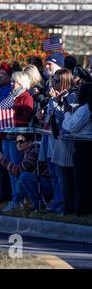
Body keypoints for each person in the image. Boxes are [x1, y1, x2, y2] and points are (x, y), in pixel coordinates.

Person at [0, 71, 34, 212]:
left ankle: (19, 201)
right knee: (10, 170)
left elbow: (26, 118)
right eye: (11, 81)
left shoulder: (26, 97)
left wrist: (11, 118)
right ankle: (15, 201)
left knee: (16, 170)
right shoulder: (11, 96)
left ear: (21, 83)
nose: (11, 84)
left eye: (14, 82)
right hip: (6, 138)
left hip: (17, 140)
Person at [45, 68, 78, 214]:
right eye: (53, 81)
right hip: (54, 138)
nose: (54, 84)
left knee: (64, 176)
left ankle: (66, 205)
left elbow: (64, 118)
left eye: (57, 81)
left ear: (64, 81)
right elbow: (51, 116)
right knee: (55, 174)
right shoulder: (58, 96)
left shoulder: (71, 96)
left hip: (67, 142)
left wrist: (54, 101)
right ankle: (58, 202)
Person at [0, 133, 51, 212]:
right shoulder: (27, 151)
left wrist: (2, 159)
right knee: (20, 183)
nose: (17, 144)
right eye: (16, 142)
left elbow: (18, 171)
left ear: (30, 142)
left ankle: (38, 205)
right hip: (40, 184)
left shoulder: (35, 150)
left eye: (21, 141)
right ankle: (36, 204)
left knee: (24, 177)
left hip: (48, 185)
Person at [62, 83, 92, 215]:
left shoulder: (85, 109)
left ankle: (82, 209)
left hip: (83, 147)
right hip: (84, 146)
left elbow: (70, 127)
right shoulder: (85, 108)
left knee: (82, 180)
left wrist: (67, 113)